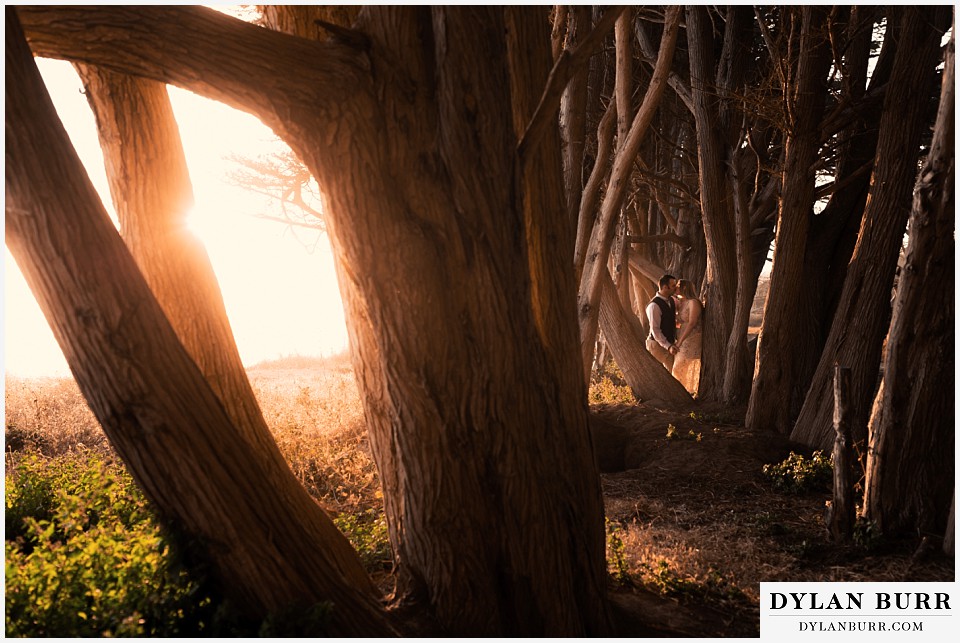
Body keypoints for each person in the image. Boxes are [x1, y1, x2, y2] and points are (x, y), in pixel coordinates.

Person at [672, 279, 703, 395]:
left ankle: (685, 392)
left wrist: (680, 342)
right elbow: (679, 322)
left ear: (684, 288)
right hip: (682, 336)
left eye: (677, 287)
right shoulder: (681, 303)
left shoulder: (693, 302)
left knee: (680, 365)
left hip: (692, 336)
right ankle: (681, 392)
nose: (675, 289)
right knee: (679, 366)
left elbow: (692, 323)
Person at [645, 274, 679, 370]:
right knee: (658, 375)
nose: (675, 288)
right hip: (657, 346)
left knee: (673, 374)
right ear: (665, 287)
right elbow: (655, 330)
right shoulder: (654, 306)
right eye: (673, 286)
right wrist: (668, 346)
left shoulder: (672, 300)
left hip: (669, 344)